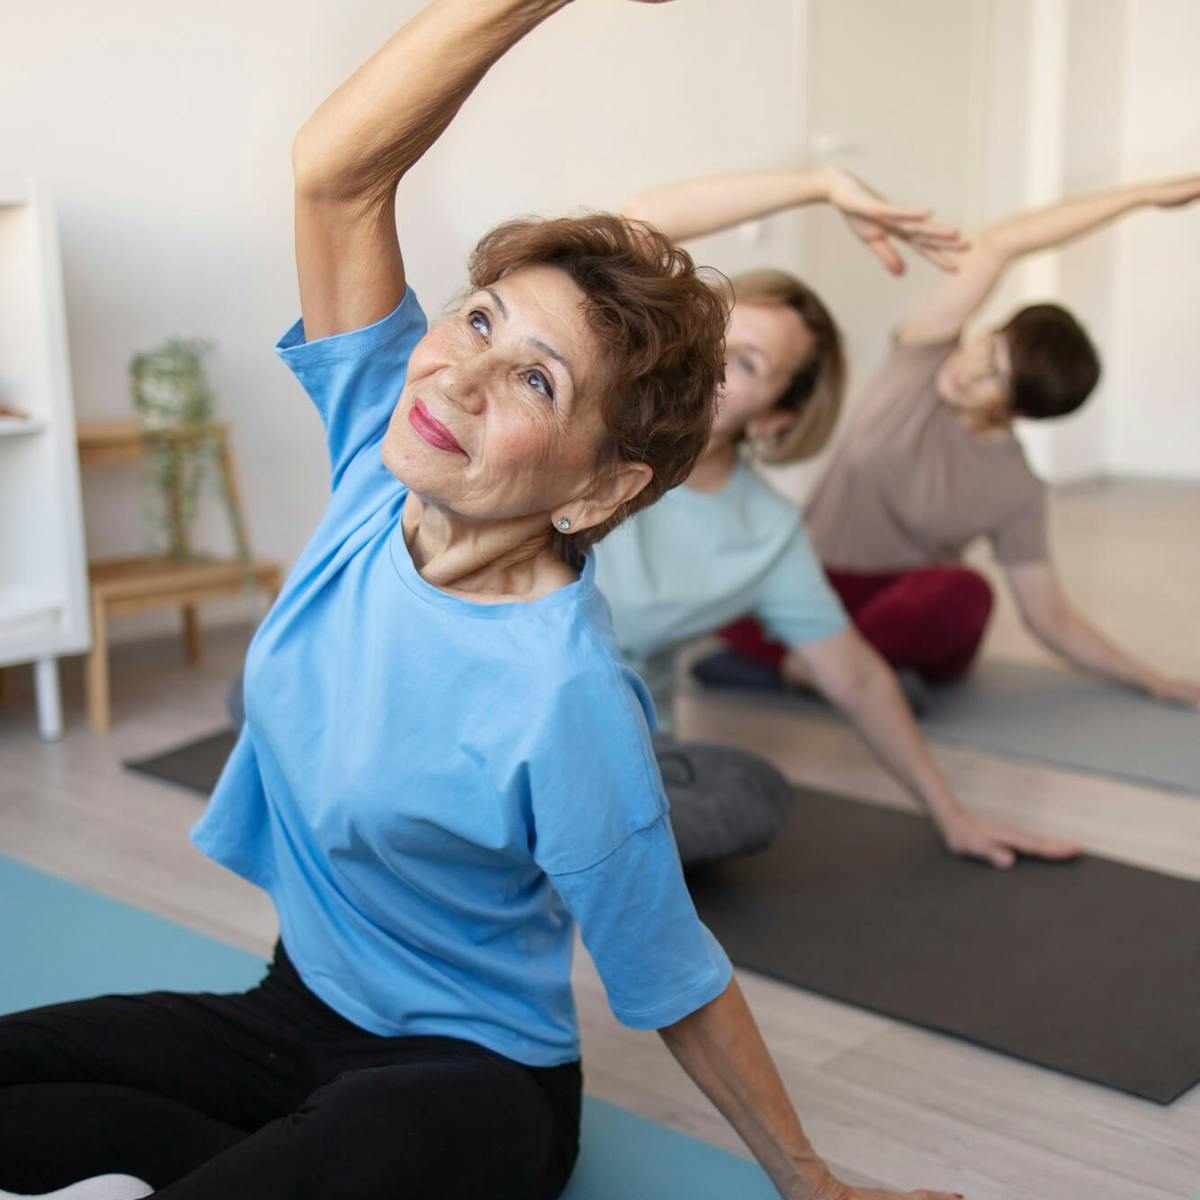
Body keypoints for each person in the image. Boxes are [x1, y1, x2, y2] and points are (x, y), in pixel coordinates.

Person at [0, 4, 971, 1200]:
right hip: (292, 1009)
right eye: (478, 316)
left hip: (471, 1084)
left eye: (532, 377)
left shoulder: (567, 701)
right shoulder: (379, 448)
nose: (455, 371)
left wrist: (809, 1179)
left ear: (599, 487)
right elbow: (337, 175)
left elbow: (673, 972)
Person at [612, 166, 1079, 872]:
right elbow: (634, 225)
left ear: (777, 418)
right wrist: (822, 184)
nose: (705, 359)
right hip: (480, 711)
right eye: (708, 332)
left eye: (744, 361)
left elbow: (858, 679)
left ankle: (560, 832)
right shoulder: (594, 421)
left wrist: (952, 817)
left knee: (751, 795)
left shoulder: (765, 532)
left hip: (610, 747)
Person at [711, 171, 1200, 706]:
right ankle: (833, 670)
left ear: (1019, 411)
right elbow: (997, 245)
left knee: (964, 595)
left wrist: (1150, 678)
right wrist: (1141, 196)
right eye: (988, 346)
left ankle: (814, 668)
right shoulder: (922, 362)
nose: (971, 370)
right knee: (730, 562)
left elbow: (1048, 616)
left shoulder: (1018, 489)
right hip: (807, 582)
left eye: (998, 379)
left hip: (896, 604)